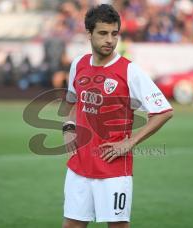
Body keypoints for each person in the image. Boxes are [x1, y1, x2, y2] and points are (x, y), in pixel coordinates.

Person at [62, 4, 173, 228]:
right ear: (89, 34)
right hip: (78, 167)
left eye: (114, 34)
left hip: (113, 170)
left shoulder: (129, 71)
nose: (110, 40)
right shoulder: (79, 64)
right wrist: (68, 127)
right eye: (103, 33)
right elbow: (73, 101)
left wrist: (130, 142)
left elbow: (164, 111)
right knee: (71, 225)